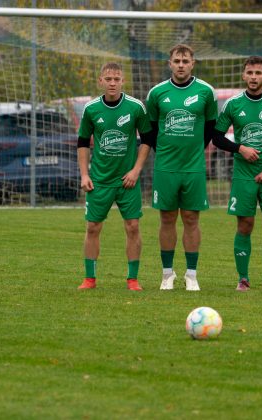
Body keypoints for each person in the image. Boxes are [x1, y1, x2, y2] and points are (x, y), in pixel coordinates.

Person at [210, 56, 262, 292]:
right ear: (243, 76)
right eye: (250, 73)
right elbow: (216, 137)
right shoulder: (233, 105)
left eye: (258, 73)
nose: (254, 77)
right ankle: (243, 279)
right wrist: (240, 148)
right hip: (243, 174)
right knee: (245, 225)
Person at [145, 44, 218, 291]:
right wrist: (167, 152)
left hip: (193, 168)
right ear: (169, 63)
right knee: (166, 219)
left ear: (192, 63)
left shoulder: (206, 92)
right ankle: (167, 274)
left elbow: (209, 130)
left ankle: (191, 275)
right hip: (165, 167)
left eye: (185, 61)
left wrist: (194, 153)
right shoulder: (156, 93)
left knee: (191, 219)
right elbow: (151, 131)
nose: (181, 65)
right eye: (176, 61)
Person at [76, 62, 153, 291]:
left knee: (132, 226)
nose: (112, 83)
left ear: (123, 81)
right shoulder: (91, 109)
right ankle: (90, 279)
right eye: (108, 79)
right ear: (101, 81)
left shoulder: (135, 107)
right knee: (92, 228)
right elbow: (82, 143)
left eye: (116, 79)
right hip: (99, 180)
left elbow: (147, 140)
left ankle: (132, 279)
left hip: (127, 180)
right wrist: (84, 174)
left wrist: (136, 170)